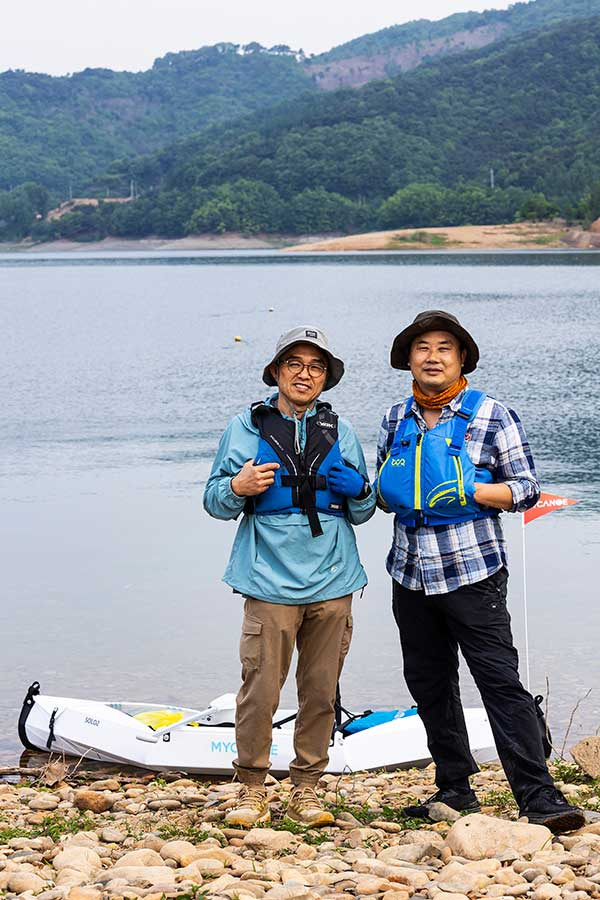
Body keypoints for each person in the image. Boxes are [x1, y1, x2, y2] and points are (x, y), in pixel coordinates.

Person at [375, 309, 584, 833]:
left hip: (473, 570)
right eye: (422, 348)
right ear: (408, 360)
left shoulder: (491, 414)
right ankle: (454, 788)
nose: (433, 356)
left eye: (444, 347)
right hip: (409, 571)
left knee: (499, 682)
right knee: (429, 682)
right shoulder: (394, 417)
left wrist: (472, 489)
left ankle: (539, 797)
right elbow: (388, 487)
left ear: (461, 358)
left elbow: (526, 488)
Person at [204, 326, 375, 827]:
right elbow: (214, 501)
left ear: (326, 378)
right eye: (295, 364)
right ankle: (251, 786)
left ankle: (307, 788)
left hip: (334, 580)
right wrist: (237, 485)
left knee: (321, 690)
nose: (305, 374)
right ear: (277, 372)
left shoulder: (340, 432)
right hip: (268, 581)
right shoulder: (244, 427)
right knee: (260, 689)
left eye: (316, 367)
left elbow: (363, 510)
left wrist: (360, 488)